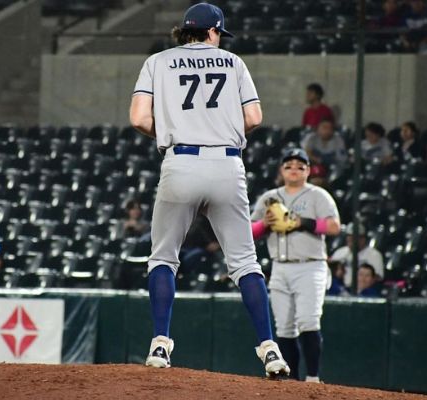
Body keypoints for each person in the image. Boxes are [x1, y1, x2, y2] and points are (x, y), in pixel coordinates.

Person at [129, 3, 290, 378]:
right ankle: (270, 350)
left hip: (180, 160)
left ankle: (159, 344)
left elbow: (138, 118)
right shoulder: (233, 63)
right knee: (245, 263)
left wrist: (173, 131)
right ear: (214, 31)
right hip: (226, 163)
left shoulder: (158, 61)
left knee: (164, 259)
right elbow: (253, 117)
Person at [251, 148, 342, 382]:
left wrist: (303, 222)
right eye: (289, 165)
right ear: (281, 170)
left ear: (308, 171)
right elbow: (249, 231)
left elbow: (334, 227)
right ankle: (291, 382)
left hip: (310, 265)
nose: (294, 169)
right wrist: (264, 224)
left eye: (300, 166)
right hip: (280, 265)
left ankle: (312, 377)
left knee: (308, 320)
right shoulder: (269, 197)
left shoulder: (317, 195)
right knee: (284, 326)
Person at [330, 223, 384, 288]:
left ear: (363, 238)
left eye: (355, 238)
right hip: (340, 289)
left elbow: (377, 278)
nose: (352, 240)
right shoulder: (340, 252)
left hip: (365, 292)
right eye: (349, 237)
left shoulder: (374, 255)